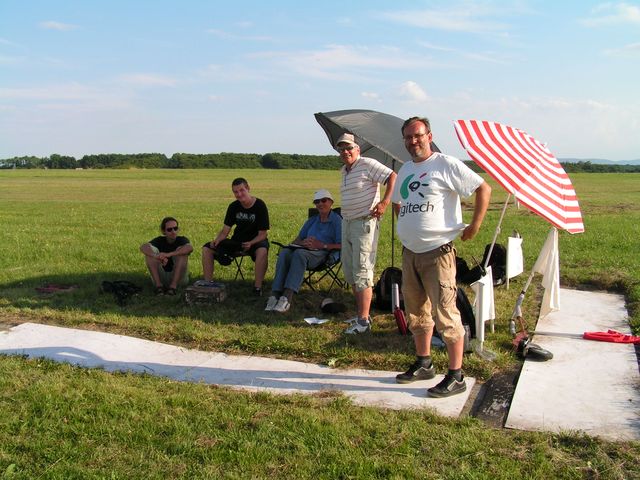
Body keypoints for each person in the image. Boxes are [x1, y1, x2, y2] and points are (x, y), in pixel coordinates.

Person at [392, 116, 491, 398]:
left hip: (438, 252)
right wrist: (408, 228)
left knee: (446, 313)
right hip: (410, 253)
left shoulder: (445, 164)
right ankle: (424, 363)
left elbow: (483, 188)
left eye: (418, 135)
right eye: (408, 137)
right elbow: (398, 202)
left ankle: (456, 376)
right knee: (417, 312)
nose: (413, 141)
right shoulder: (405, 169)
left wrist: (474, 226)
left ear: (429, 136)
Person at [337, 133, 397, 334]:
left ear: (357, 149)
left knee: (363, 270)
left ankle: (363, 322)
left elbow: (392, 176)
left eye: (349, 148)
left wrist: (385, 202)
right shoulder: (344, 170)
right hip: (347, 223)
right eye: (342, 149)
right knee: (350, 271)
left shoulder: (367, 164)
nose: (345, 152)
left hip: (364, 223)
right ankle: (361, 314)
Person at [265, 189, 342, 313]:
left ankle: (287, 297)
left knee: (299, 254)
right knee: (285, 252)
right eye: (317, 202)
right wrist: (302, 243)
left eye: (323, 200)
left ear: (331, 202)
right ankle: (274, 295)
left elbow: (342, 245)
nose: (320, 204)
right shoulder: (313, 220)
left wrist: (322, 245)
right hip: (305, 250)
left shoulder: (337, 221)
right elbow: (298, 239)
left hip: (324, 254)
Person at [202, 177, 269, 295]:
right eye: (236, 192)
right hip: (237, 241)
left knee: (262, 250)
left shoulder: (260, 205)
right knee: (207, 248)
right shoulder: (233, 206)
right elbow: (225, 231)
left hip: (255, 241)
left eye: (242, 190)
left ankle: (257, 288)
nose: (239, 194)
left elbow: (263, 234)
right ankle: (208, 284)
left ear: (248, 188)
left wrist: (251, 243)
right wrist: (216, 241)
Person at [140, 216, 193, 295]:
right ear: (163, 231)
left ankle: (173, 287)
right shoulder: (159, 240)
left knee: (182, 254)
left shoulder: (182, 239)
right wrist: (156, 256)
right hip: (162, 277)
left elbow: (189, 248)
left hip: (179, 279)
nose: (173, 232)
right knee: (149, 255)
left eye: (175, 228)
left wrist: (168, 254)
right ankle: (159, 287)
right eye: (169, 229)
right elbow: (143, 247)